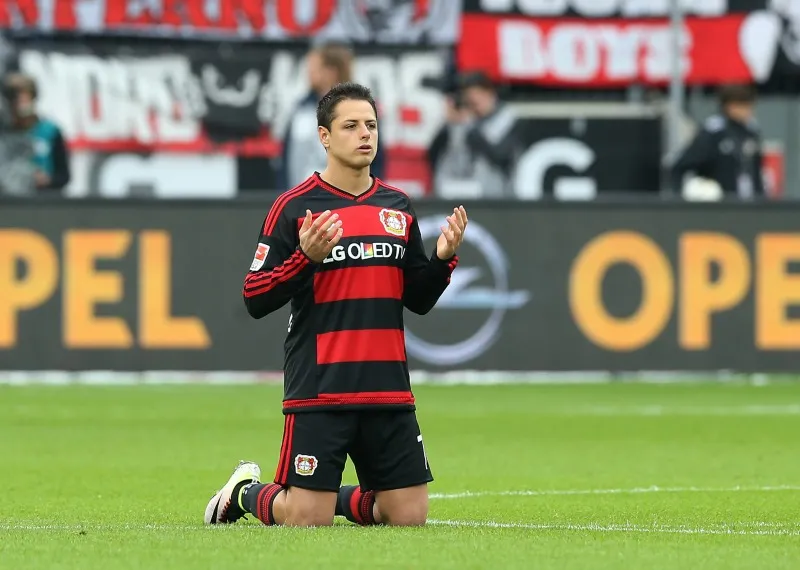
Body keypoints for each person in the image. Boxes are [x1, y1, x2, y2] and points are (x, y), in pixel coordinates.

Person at [204, 82, 468, 528]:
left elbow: (417, 300)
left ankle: (333, 498)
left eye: (371, 125)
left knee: (408, 517)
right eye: (350, 126)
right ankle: (243, 493)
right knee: (308, 520)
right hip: (321, 387)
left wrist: (442, 260)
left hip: (387, 384)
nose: (365, 134)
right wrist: (304, 259)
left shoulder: (398, 207)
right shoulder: (295, 207)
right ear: (324, 137)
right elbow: (255, 296)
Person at [279, 43, 385, 191]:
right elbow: (286, 156)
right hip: (303, 201)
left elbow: (375, 157)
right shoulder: (301, 108)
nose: (308, 72)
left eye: (314, 68)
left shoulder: (360, 108)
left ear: (331, 71)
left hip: (347, 200)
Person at [670, 84, 765, 199]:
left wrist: (762, 198)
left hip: (748, 203)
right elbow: (681, 166)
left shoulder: (751, 132)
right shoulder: (713, 133)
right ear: (730, 106)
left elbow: (757, 172)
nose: (749, 111)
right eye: (743, 106)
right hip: (719, 204)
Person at [0, 72, 70, 196]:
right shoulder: (4, 134)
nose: (18, 105)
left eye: (23, 98)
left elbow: (64, 175)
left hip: (43, 202)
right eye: (13, 100)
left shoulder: (49, 131)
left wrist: (47, 180)